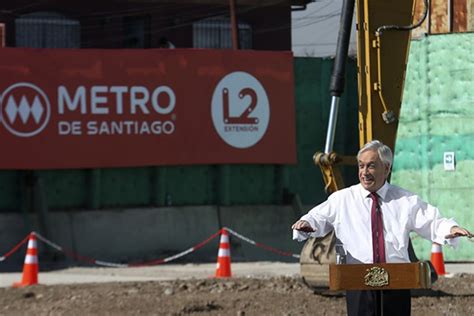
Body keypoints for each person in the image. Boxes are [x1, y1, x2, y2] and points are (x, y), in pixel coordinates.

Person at [292, 140, 471, 316]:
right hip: (358, 282)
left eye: (371, 166)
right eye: (361, 166)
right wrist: (307, 224)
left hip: (396, 283)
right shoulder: (343, 199)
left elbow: (432, 221)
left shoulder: (404, 200)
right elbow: (318, 216)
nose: (364, 172)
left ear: (386, 168)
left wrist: (451, 228)